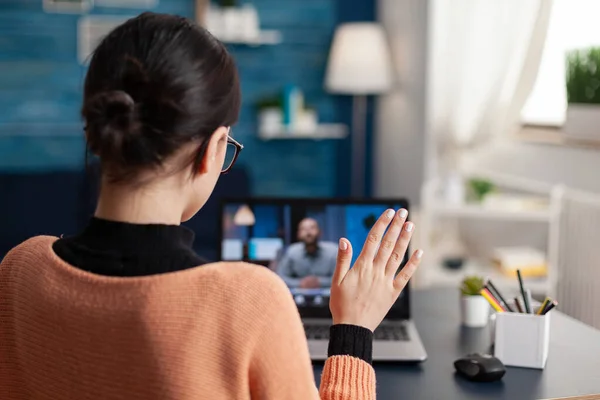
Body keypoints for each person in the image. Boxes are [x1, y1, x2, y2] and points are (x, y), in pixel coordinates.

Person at [0, 12, 423, 400]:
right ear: (214, 149)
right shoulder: (248, 300)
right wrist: (353, 329)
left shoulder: (17, 270)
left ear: (95, 133)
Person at [278, 218, 338, 288]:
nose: (308, 232)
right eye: (303, 229)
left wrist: (319, 282)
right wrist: (300, 283)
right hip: (298, 296)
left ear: (320, 232)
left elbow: (341, 279)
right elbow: (281, 277)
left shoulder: (333, 251)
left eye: (312, 228)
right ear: (298, 234)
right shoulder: (292, 252)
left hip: (328, 297)